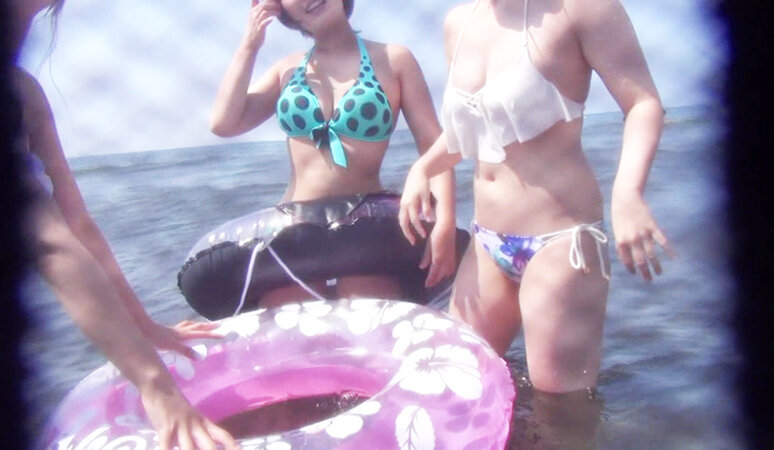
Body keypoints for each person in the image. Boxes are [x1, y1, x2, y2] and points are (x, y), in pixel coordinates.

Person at [399, 0, 671, 395]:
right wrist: (423, 168)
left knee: (560, 408)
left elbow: (643, 103)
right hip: (486, 242)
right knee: (457, 381)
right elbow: (470, 129)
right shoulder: (458, 23)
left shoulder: (581, 9)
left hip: (562, 241)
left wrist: (628, 193)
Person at [10, 0, 237, 448]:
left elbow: (76, 224)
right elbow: (51, 240)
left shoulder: (24, 93)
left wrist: (145, 326)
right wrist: (155, 385)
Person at [199, 0, 460, 313]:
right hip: (295, 226)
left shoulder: (394, 60)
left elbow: (433, 145)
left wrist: (445, 222)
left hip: (364, 226)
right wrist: (250, 45)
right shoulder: (287, 70)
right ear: (281, 8)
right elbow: (223, 123)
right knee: (294, 327)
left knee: (367, 318)